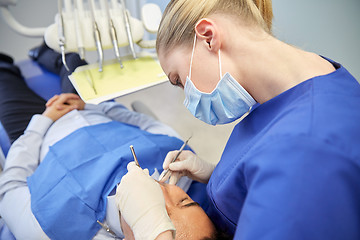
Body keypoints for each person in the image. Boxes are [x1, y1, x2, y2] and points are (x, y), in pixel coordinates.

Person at [115, 0, 360, 239]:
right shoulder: (295, 85)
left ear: (208, 37)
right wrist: (219, 177)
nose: (186, 98)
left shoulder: (306, 150)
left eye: (179, 80)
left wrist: (152, 227)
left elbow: (293, 177)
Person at [0, 50, 217, 240]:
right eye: (185, 202)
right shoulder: (184, 172)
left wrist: (42, 122)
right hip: (91, 111)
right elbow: (148, 124)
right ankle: (45, 52)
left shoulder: (51, 230)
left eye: (161, 217)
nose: (162, 194)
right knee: (73, 61)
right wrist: (94, 107)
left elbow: (9, 187)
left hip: (38, 132)